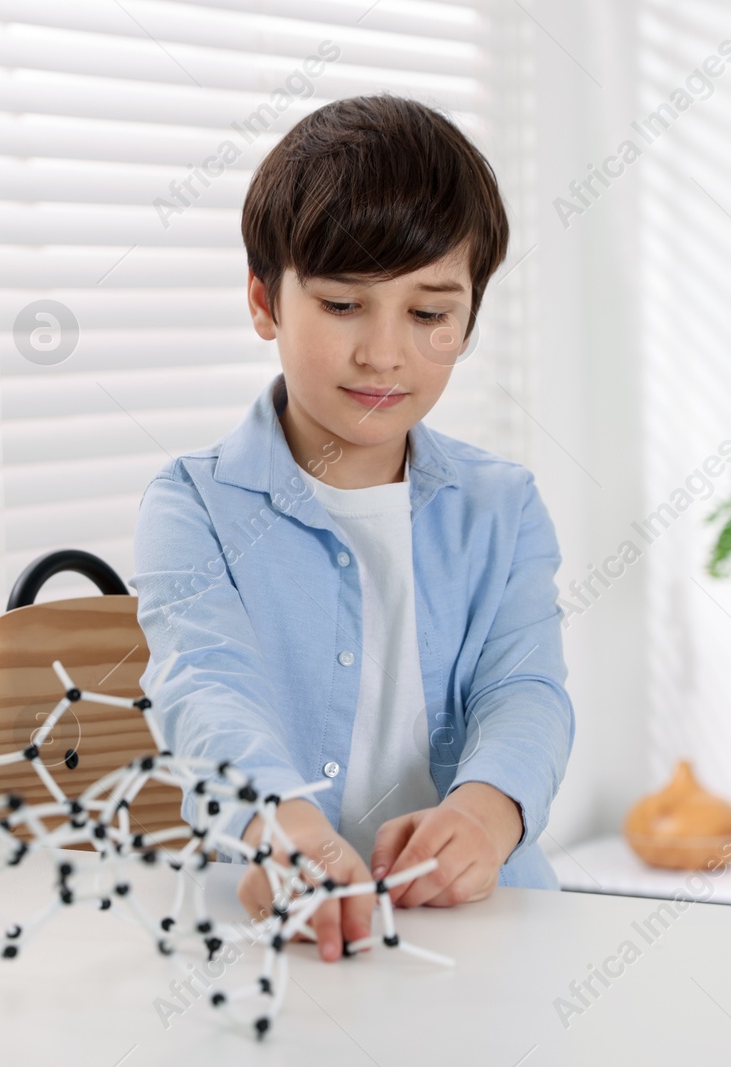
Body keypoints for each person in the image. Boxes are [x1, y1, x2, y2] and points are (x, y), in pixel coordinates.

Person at [131, 94, 573, 963]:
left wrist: (486, 813)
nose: (383, 353)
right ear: (265, 301)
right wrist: (279, 821)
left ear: (468, 319)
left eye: (428, 314)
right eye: (341, 305)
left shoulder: (503, 504)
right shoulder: (192, 504)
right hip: (281, 937)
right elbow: (206, 691)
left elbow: (526, 693)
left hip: (485, 935)